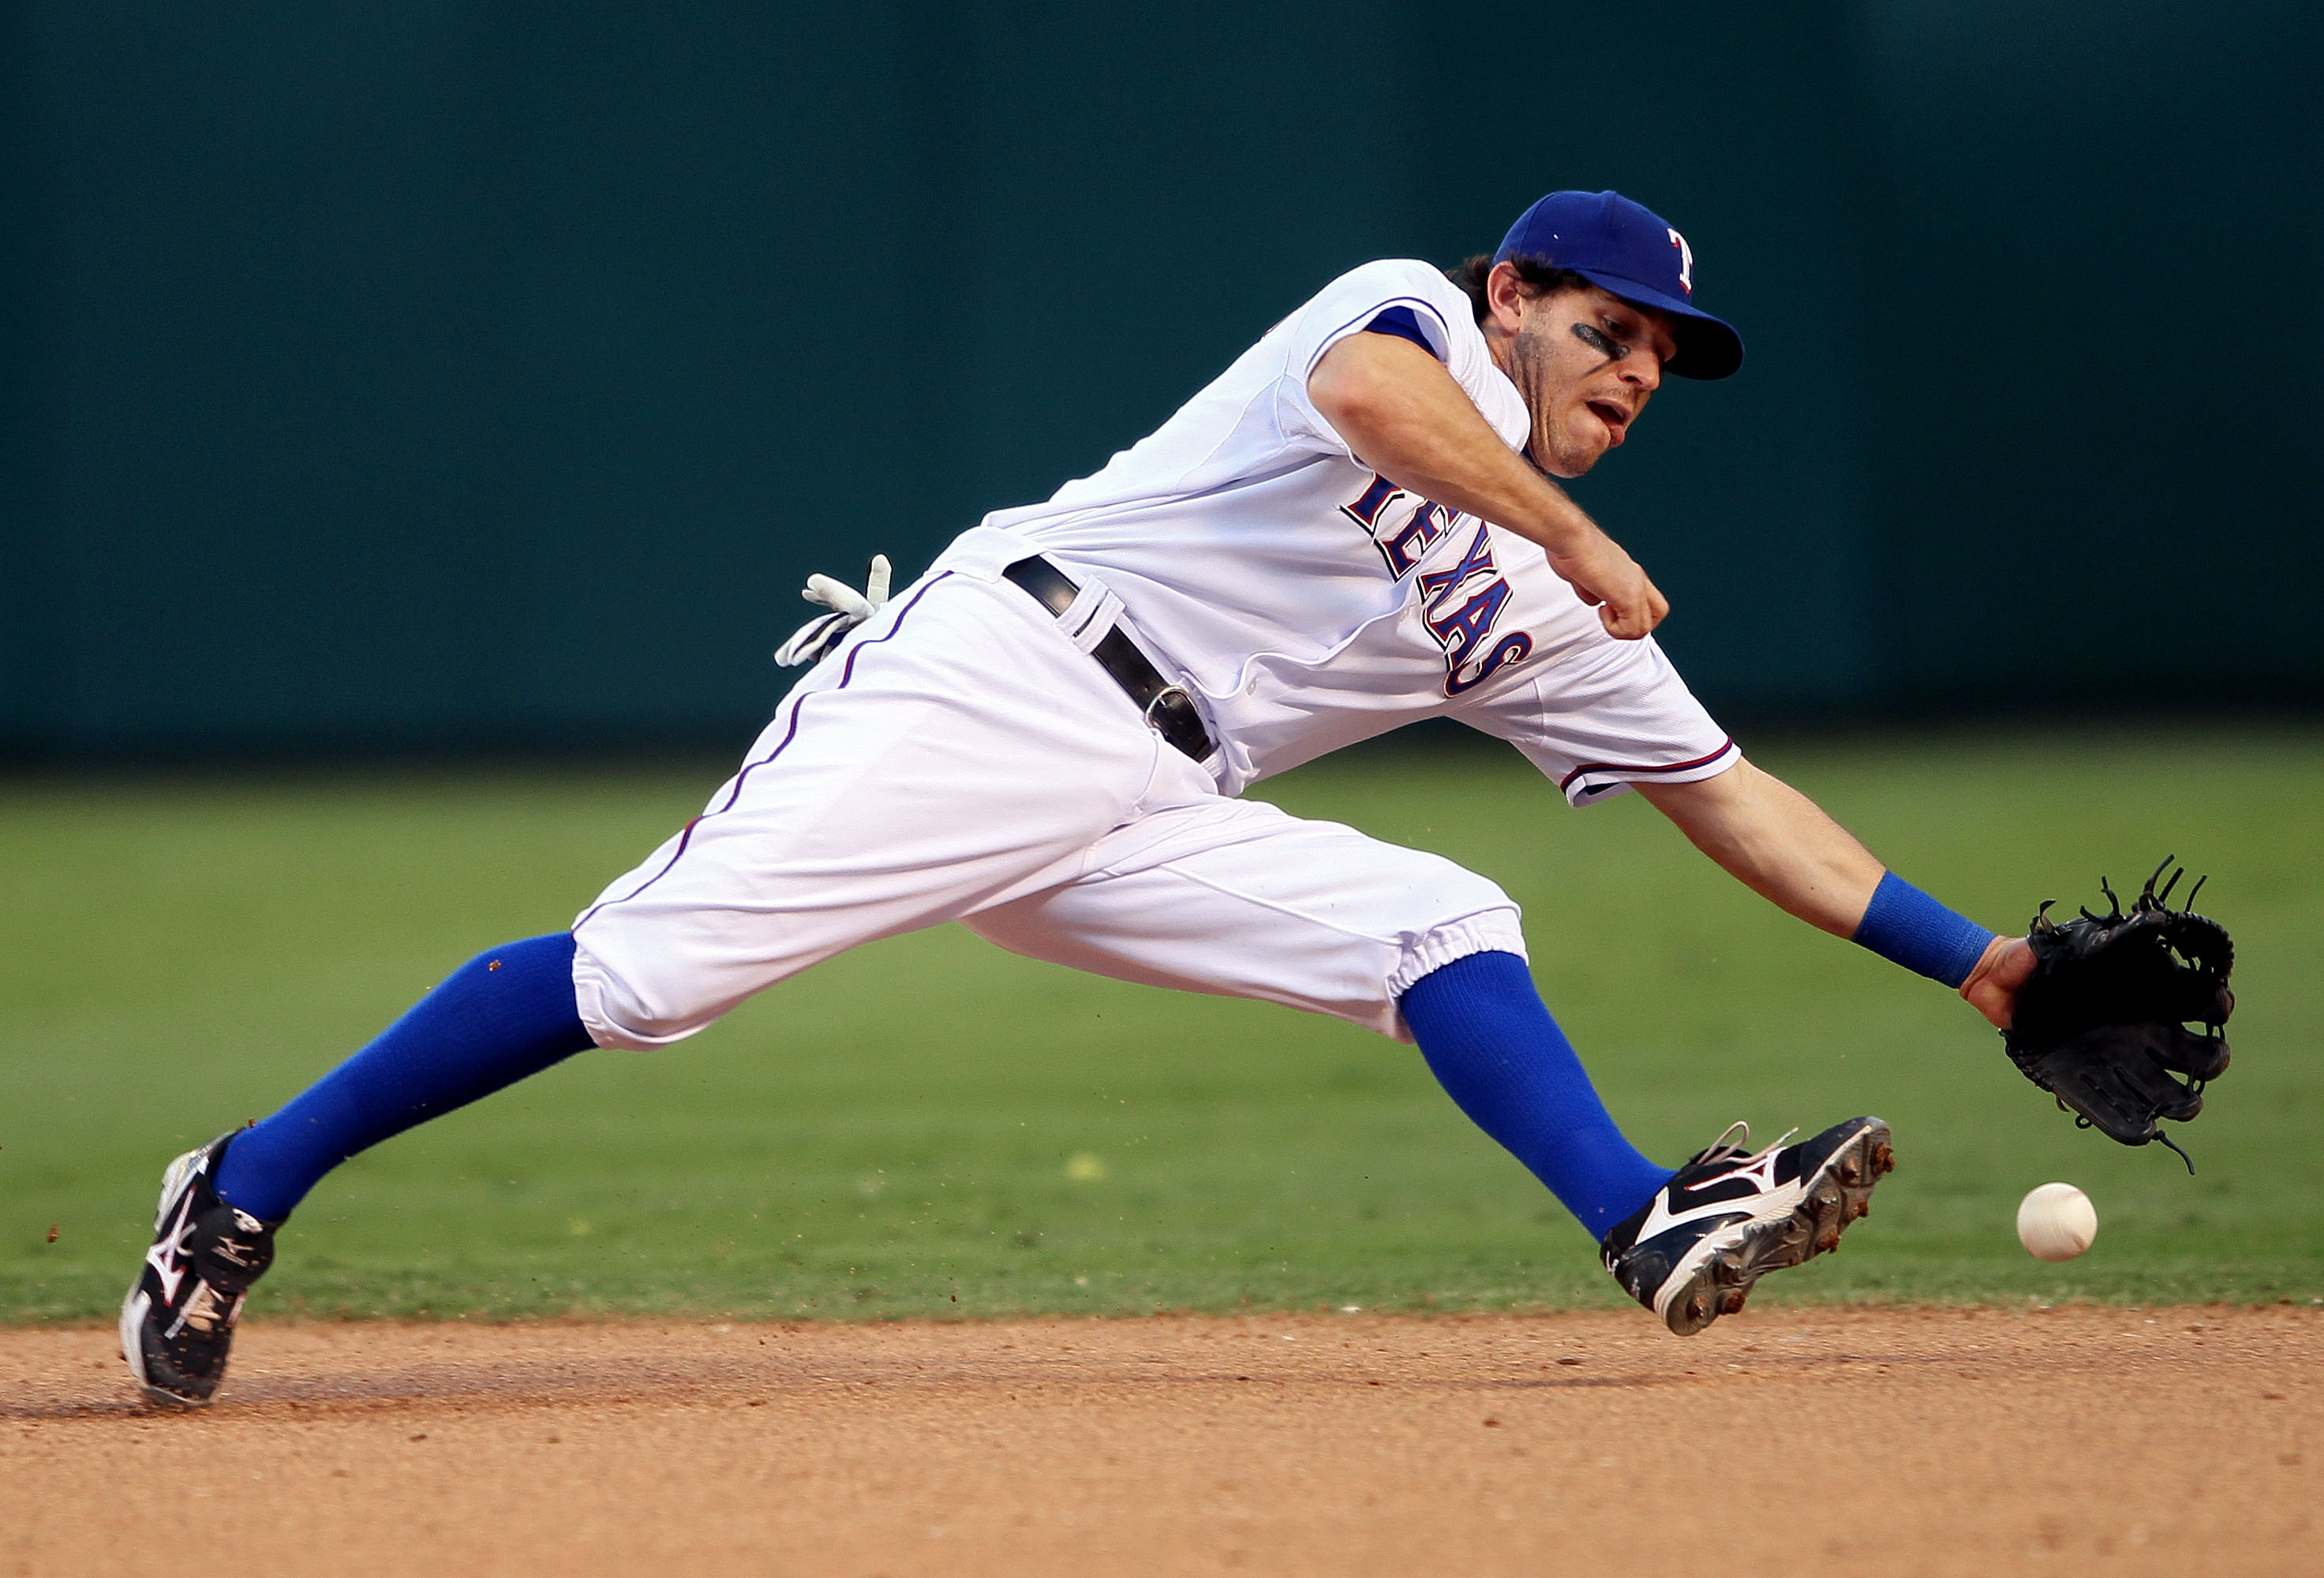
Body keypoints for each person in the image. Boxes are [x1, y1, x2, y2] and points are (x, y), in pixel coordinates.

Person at [123, 189, 2033, 1408]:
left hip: (1150, 794)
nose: (1632, 371)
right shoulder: (1412, 325)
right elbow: (1379, 411)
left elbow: (1742, 799)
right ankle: (241, 1184)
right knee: (646, 982)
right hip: (1009, 666)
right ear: (1511, 294)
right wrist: (1569, 522)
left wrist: (1982, 970)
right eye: (1604, 328)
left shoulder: (1557, 610)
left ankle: (1639, 1219)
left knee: (1438, 919)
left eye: (1660, 362)